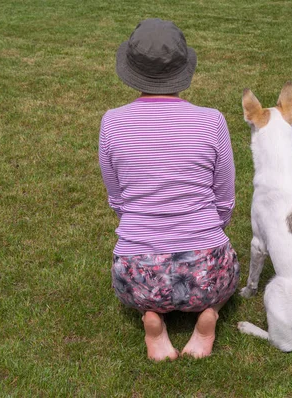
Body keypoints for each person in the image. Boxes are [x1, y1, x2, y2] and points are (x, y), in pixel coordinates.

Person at [99, 18, 239, 361]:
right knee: (229, 275)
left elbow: (116, 198)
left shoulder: (112, 122)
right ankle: (209, 316)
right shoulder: (212, 120)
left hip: (138, 274)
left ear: (131, 69)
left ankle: (152, 318)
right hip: (207, 272)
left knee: (134, 287)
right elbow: (224, 199)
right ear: (183, 69)